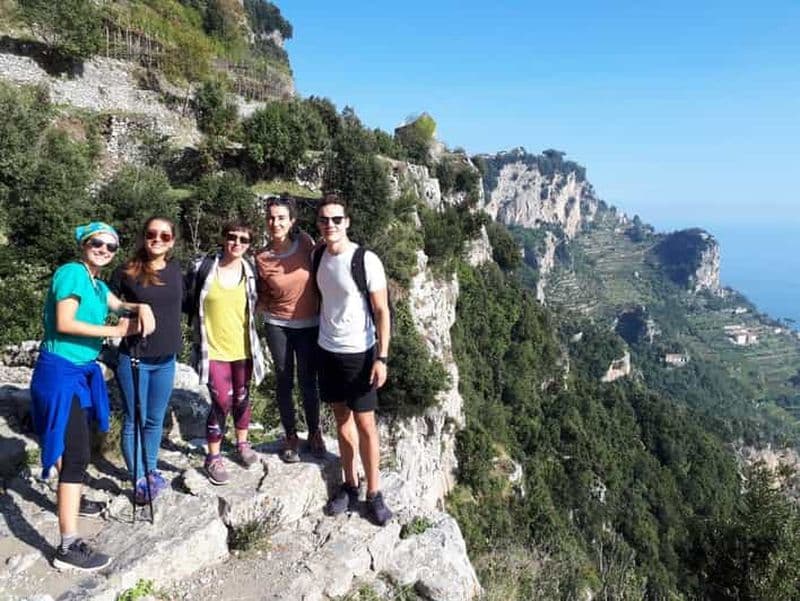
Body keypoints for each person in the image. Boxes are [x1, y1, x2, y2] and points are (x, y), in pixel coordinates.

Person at [29, 222, 155, 572]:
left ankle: (71, 497)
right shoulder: (71, 272)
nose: (103, 249)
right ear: (84, 244)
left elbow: (119, 304)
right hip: (60, 373)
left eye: (110, 246)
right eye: (96, 243)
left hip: (79, 374)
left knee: (71, 443)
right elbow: (66, 321)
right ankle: (68, 546)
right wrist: (116, 330)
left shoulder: (98, 286)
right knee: (77, 455)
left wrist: (139, 308)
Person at [314, 192, 393, 526]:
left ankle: (374, 494)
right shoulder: (318, 254)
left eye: (336, 219)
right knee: (342, 421)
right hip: (327, 349)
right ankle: (350, 484)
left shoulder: (365, 260)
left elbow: (381, 310)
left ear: (346, 222)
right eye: (324, 219)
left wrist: (382, 357)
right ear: (318, 224)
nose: (330, 225)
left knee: (365, 425)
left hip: (359, 354)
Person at [185, 220, 266, 485]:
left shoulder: (250, 271)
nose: (237, 243)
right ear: (223, 238)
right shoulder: (203, 268)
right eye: (232, 237)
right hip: (213, 350)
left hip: (243, 349)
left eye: (244, 240)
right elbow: (184, 299)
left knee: (242, 398)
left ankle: (242, 443)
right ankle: (213, 456)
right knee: (221, 401)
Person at [110, 217, 183, 504]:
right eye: (152, 234)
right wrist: (135, 308)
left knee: (154, 420)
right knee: (134, 420)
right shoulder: (126, 271)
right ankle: (138, 478)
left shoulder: (177, 271)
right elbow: (108, 303)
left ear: (172, 242)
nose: (157, 239)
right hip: (135, 358)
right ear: (143, 236)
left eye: (165, 236)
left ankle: (150, 470)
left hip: (167, 357)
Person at [255, 196, 324, 463]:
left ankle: (315, 432)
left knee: (308, 380)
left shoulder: (305, 242)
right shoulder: (261, 256)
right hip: (277, 324)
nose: (276, 222)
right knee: (284, 379)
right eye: (271, 217)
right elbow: (261, 292)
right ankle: (291, 436)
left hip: (309, 324)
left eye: (282, 217)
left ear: (292, 221)